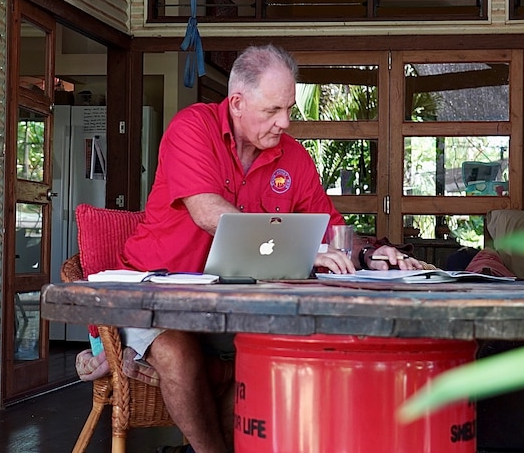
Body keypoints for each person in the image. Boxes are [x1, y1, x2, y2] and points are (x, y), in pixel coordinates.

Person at [121, 44, 422, 453]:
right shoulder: (192, 127)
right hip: (158, 289)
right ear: (238, 102)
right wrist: (296, 251)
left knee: (271, 346)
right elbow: (208, 211)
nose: (284, 122)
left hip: (230, 301)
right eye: (272, 110)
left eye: (289, 109)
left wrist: (369, 255)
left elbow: (331, 229)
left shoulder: (292, 156)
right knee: (176, 350)